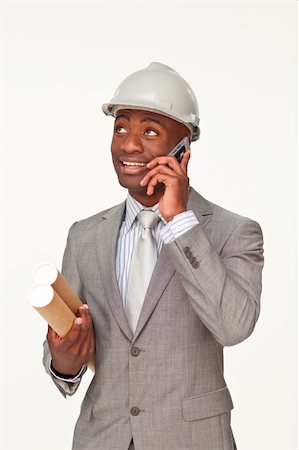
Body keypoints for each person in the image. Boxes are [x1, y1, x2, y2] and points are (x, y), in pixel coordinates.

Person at [43, 62, 264, 450]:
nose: (128, 145)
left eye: (149, 131)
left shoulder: (232, 231)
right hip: (102, 439)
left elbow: (235, 326)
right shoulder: (85, 236)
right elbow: (65, 358)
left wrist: (179, 222)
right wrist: (64, 359)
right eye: (121, 127)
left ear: (184, 147)